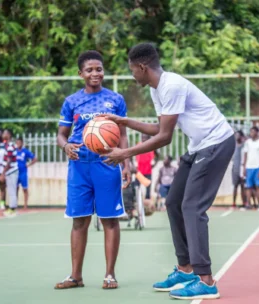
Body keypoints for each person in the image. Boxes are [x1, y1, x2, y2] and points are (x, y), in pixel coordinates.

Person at [101, 42, 235, 300]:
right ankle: (185, 269)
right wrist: (125, 122)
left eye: (132, 71)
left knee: (192, 207)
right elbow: (159, 128)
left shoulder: (171, 85)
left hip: (216, 143)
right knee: (173, 202)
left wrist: (125, 153)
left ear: (142, 67)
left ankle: (206, 280)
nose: (132, 76)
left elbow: (164, 138)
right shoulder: (156, 89)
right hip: (199, 146)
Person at [54, 50, 131, 290]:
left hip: (107, 164)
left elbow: (123, 133)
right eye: (89, 70)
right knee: (79, 221)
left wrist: (127, 162)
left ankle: (110, 275)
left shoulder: (115, 99)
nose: (95, 73)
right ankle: (75, 276)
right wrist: (66, 146)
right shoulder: (71, 101)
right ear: (81, 74)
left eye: (99, 69)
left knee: (109, 219)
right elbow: (61, 134)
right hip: (79, 166)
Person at [243, 127, 259, 210]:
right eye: (250, 132)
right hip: (249, 167)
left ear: (257, 133)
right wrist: (244, 168)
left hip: (257, 167)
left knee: (257, 186)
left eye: (253, 132)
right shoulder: (247, 142)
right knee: (248, 187)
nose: (251, 133)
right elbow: (245, 155)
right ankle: (248, 205)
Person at [0, 129, 19, 217]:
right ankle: (12, 208)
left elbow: (9, 161)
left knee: (12, 191)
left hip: (11, 171)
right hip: (10, 172)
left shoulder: (10, 146)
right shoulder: (7, 145)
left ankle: (12, 209)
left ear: (9, 135)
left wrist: (3, 173)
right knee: (11, 190)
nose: (3, 135)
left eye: (5, 133)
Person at [16, 137, 37, 209]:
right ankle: (15, 204)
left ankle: (25, 205)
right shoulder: (14, 151)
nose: (18, 144)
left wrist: (28, 165)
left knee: (24, 189)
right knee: (16, 188)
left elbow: (35, 159)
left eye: (19, 142)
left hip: (23, 172)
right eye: (17, 142)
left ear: (22, 143)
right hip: (15, 172)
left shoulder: (25, 151)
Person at [135, 133, 157, 200]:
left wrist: (154, 164)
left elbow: (158, 155)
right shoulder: (138, 145)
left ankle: (147, 203)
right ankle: (137, 200)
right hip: (139, 171)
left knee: (148, 189)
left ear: (148, 139)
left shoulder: (151, 146)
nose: (143, 139)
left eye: (145, 138)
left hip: (148, 171)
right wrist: (134, 163)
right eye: (142, 137)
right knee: (137, 187)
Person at [232, 130, 246, 208]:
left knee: (243, 186)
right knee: (235, 186)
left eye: (238, 135)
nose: (236, 136)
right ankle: (233, 203)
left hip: (242, 168)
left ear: (241, 136)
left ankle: (244, 203)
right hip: (235, 168)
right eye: (235, 135)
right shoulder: (233, 145)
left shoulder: (244, 145)